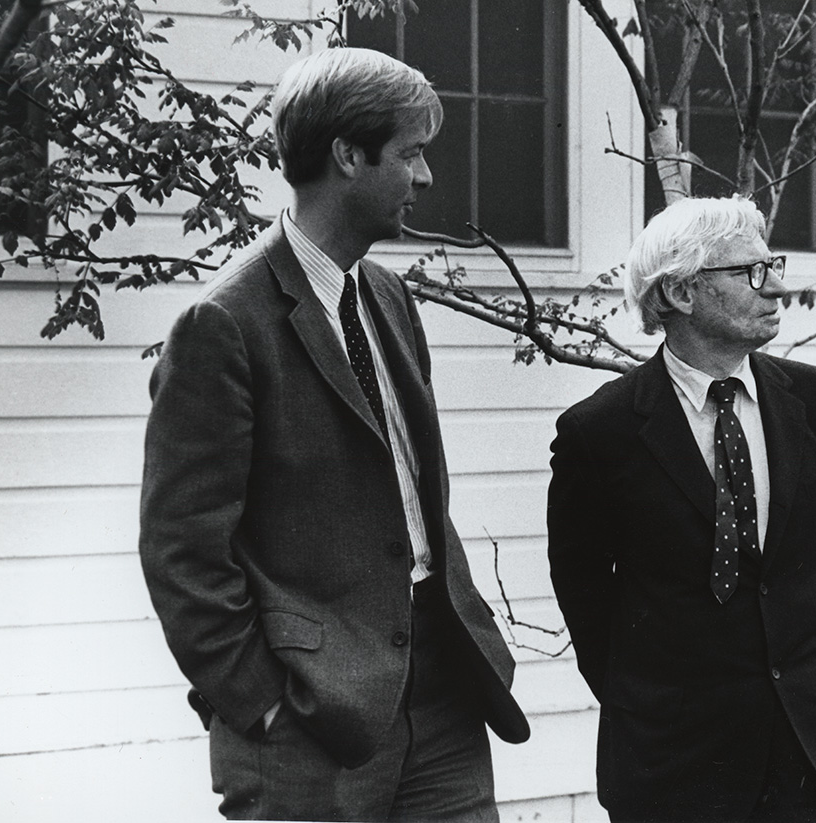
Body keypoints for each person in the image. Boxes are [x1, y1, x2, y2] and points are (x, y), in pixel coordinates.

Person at [139, 47, 529, 822]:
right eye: (412, 154)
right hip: (309, 724)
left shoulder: (389, 297)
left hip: (443, 695)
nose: (426, 178)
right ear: (347, 155)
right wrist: (261, 705)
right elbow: (182, 550)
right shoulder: (223, 325)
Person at [547, 196, 816, 822]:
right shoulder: (600, 432)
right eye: (751, 272)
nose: (777, 286)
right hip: (676, 771)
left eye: (772, 265)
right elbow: (586, 600)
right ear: (680, 292)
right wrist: (649, 706)